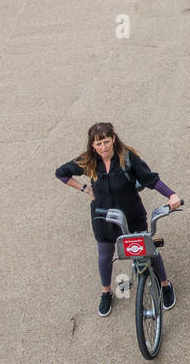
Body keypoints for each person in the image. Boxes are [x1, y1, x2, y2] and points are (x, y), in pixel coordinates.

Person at [56, 123, 182, 316]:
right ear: (92, 145)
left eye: (106, 142)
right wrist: (85, 189)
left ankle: (165, 285)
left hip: (132, 216)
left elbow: (151, 179)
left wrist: (171, 195)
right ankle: (106, 292)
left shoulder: (127, 159)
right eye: (98, 144)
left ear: (113, 139)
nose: (103, 147)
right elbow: (61, 173)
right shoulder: (89, 160)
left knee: (149, 251)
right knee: (105, 256)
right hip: (104, 219)